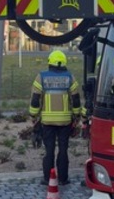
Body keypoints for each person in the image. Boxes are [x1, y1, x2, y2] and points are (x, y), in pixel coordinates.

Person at [29, 49, 83, 186]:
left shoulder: (41, 77)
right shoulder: (70, 77)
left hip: (47, 121)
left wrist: (33, 115)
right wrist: (77, 115)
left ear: (50, 62)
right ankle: (63, 179)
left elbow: (35, 99)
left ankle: (48, 178)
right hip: (65, 121)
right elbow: (76, 99)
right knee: (63, 150)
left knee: (49, 150)